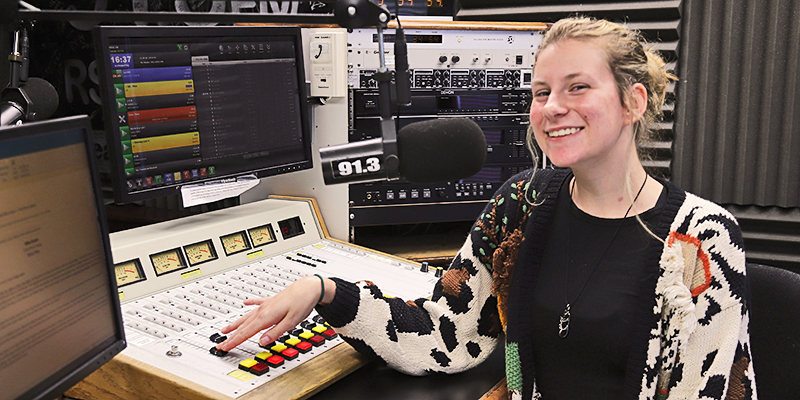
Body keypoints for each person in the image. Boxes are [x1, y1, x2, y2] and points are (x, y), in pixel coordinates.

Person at [217, 17, 756, 400]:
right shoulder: (522, 202)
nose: (553, 108)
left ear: (633, 102)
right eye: (542, 91)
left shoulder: (702, 238)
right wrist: (325, 292)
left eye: (578, 87)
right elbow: (444, 335)